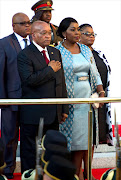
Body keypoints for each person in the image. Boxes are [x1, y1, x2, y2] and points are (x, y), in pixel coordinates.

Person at [56, 17, 105, 180]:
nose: (77, 33)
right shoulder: (58, 50)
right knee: (75, 142)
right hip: (70, 102)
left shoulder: (85, 49)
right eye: (72, 29)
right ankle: (74, 175)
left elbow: (95, 72)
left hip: (87, 102)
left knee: (87, 140)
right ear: (63, 33)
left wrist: (101, 92)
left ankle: (86, 174)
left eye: (78, 29)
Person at [17, 20, 69, 173]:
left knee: (52, 152)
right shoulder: (24, 55)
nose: (48, 36)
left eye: (49, 33)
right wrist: (50, 70)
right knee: (30, 153)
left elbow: (61, 82)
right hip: (33, 114)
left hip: (53, 113)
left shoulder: (55, 52)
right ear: (33, 35)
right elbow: (29, 80)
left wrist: (63, 107)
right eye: (43, 33)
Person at [79, 23, 114, 179]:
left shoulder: (99, 53)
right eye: (87, 33)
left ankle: (89, 170)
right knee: (80, 138)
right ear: (78, 35)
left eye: (93, 34)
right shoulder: (77, 53)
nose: (91, 36)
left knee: (92, 138)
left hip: (99, 102)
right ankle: (77, 172)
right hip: (83, 101)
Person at [0, 12, 31, 179]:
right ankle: (7, 171)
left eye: (29, 22)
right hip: (10, 100)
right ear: (14, 26)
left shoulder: (34, 42)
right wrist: (3, 100)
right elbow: (1, 73)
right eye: (23, 23)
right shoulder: (4, 43)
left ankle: (27, 171)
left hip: (32, 100)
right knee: (9, 137)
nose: (27, 25)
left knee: (28, 137)